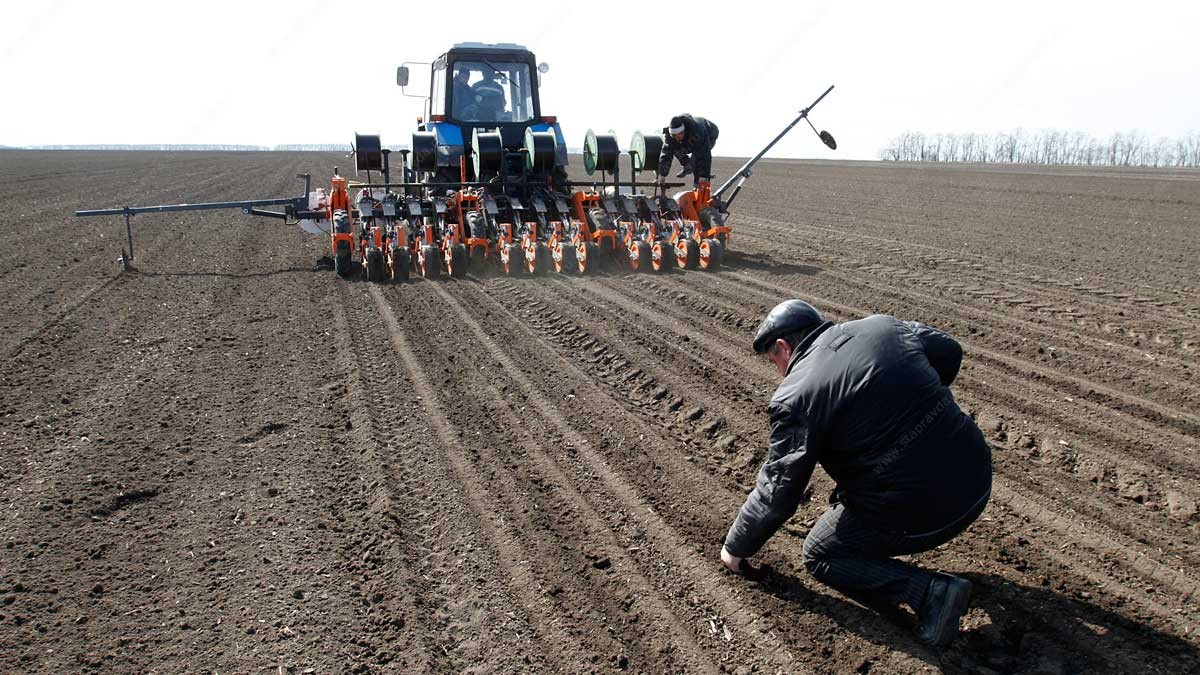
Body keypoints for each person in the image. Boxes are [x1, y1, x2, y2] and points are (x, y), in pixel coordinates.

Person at [720, 299, 993, 648]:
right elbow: (948, 350)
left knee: (821, 552)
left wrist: (736, 548)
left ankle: (932, 594)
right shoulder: (884, 326)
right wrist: (915, 402)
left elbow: (779, 488)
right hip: (978, 474)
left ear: (784, 347)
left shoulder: (796, 395)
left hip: (932, 510)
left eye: (775, 361)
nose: (779, 372)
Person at [657, 114, 719, 185]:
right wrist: (662, 174)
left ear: (683, 131)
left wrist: (703, 176)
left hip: (709, 133)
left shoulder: (698, 132)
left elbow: (704, 155)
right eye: (674, 136)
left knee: (696, 159)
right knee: (675, 149)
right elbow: (666, 154)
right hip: (689, 140)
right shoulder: (670, 137)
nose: (677, 138)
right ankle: (688, 166)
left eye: (679, 135)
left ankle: (697, 185)